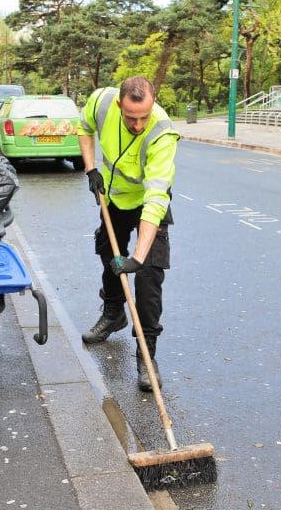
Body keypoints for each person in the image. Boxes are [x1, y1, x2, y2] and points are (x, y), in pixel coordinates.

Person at [77, 76, 179, 392]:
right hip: (114, 195)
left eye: (143, 117)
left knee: (149, 274)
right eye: (131, 117)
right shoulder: (102, 102)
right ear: (121, 104)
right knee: (108, 252)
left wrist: (138, 257)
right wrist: (91, 168)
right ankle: (113, 312)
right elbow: (83, 128)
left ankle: (146, 357)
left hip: (148, 202)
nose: (137, 125)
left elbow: (157, 198)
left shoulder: (162, 132)